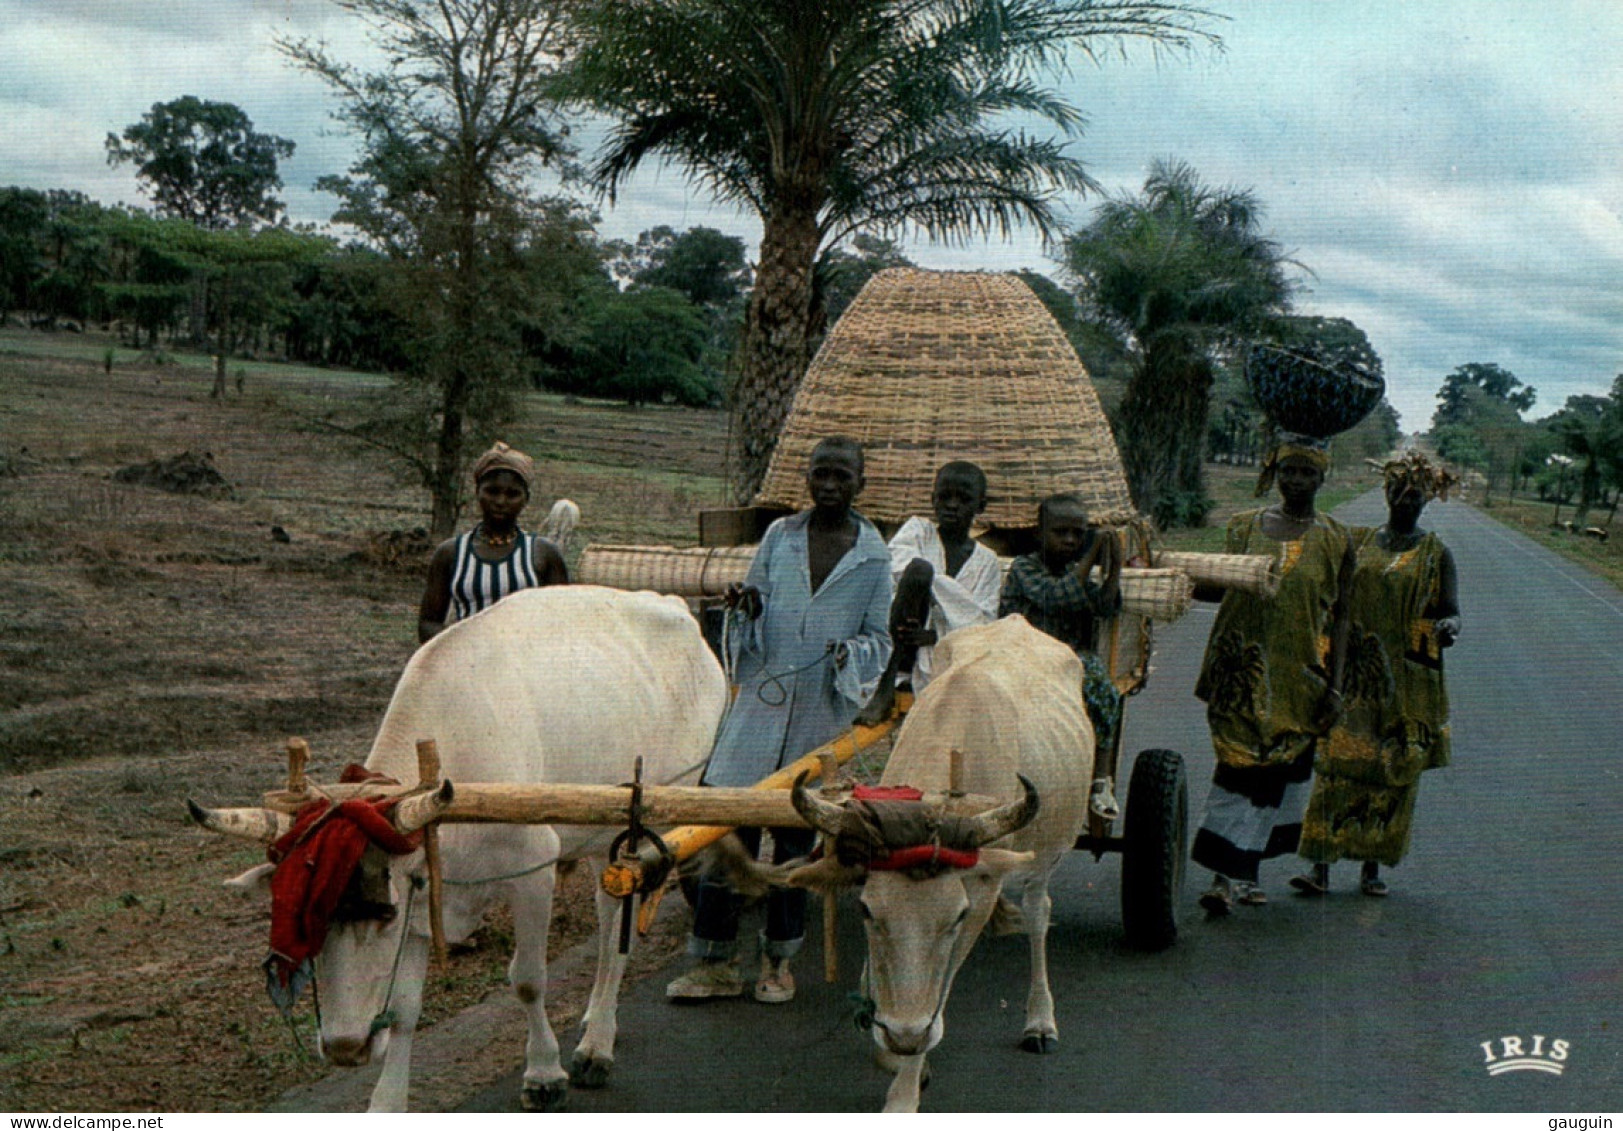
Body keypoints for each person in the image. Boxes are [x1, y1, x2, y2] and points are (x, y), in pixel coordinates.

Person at [667, 436, 892, 1005]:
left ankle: (779, 963)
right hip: (758, 710)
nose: (830, 486)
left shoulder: (874, 554)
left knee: (797, 841)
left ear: (860, 484)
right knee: (728, 827)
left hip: (819, 714)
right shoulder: (780, 536)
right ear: (808, 479)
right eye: (821, 475)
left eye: (842, 476)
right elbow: (754, 604)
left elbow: (881, 639)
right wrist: (747, 608)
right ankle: (713, 964)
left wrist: (849, 655)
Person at [1190, 434, 1356, 915]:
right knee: (1235, 772)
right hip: (1237, 673)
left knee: (1275, 778)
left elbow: (1343, 615)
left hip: (1298, 678)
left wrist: (1336, 685)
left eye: (1307, 472)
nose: (1296, 481)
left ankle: (1246, 871)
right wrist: (1171, 576)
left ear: (1323, 477)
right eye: (1288, 471)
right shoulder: (1243, 527)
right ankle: (1223, 877)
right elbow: (1221, 589)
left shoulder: (1335, 538)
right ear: (1275, 474)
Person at [1292, 451, 1461, 897]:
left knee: (1392, 770)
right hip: (1353, 676)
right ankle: (1320, 868)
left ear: (1427, 500)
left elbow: (1452, 612)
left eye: (1415, 496)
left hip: (1408, 682)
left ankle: (1372, 869)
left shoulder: (1436, 554)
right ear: (1385, 493)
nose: (1406, 502)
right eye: (1399, 493)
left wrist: (1449, 628)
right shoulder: (1359, 542)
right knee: (1338, 764)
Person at [997, 492, 1124, 819]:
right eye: (1061, 532)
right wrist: (1092, 554)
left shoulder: (1074, 570)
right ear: (1039, 533)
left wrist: (1114, 566)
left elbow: (1106, 606)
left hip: (1069, 661)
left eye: (1078, 534)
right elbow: (1054, 596)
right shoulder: (1025, 568)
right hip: (1024, 655)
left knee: (1104, 690)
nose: (1070, 540)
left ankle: (1100, 780)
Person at [855, 460, 1001, 726]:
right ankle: (884, 687)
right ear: (933, 499)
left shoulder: (987, 562)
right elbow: (899, 570)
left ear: (980, 506)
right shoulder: (917, 531)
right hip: (902, 639)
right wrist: (952, 604)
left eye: (963, 499)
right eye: (945, 497)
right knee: (918, 570)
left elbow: (984, 623)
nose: (952, 505)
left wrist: (934, 635)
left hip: (951, 653)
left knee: (923, 572)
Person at [417, 441, 568, 643]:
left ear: (526, 499)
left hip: (526, 665)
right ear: (477, 491)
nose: (500, 501)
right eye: (492, 491)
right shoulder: (451, 553)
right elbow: (428, 623)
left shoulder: (542, 553)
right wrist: (464, 647)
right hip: (468, 665)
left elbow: (562, 623)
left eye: (512, 494)